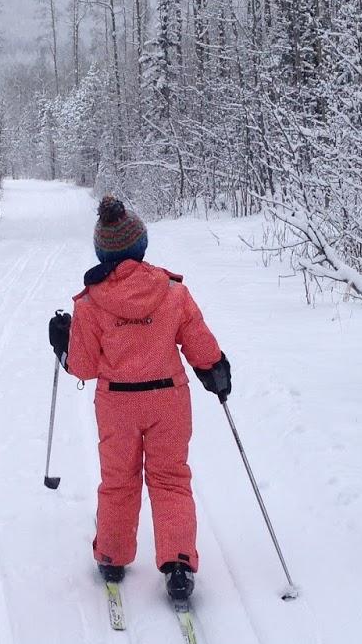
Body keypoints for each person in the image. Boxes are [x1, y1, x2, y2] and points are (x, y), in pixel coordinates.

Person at [48, 195, 231, 602]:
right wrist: (215, 370)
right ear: (141, 245)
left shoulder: (91, 303)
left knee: (119, 481)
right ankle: (179, 564)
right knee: (170, 479)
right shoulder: (172, 292)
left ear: (102, 251)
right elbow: (200, 345)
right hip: (168, 401)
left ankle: (112, 556)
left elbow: (83, 366)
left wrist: (62, 344)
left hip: (117, 406)